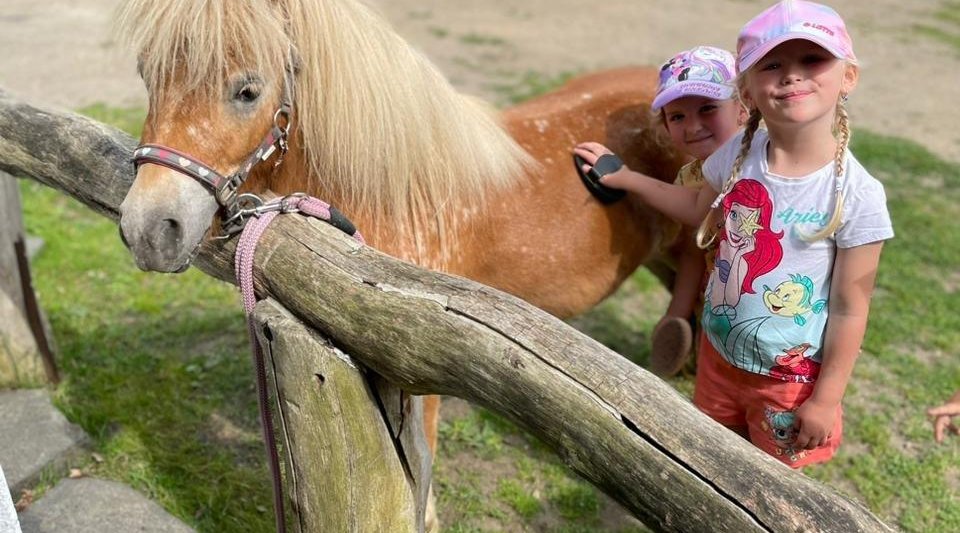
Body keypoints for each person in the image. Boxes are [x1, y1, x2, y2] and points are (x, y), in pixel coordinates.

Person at [573, 0, 894, 468]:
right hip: (718, 359)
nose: (791, 76)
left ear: (848, 77)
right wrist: (626, 180)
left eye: (813, 59)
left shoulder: (860, 196)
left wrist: (825, 400)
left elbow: (850, 308)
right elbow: (696, 208)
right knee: (715, 463)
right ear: (747, 88)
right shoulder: (738, 156)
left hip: (787, 384)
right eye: (773, 65)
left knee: (770, 481)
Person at [644, 46, 746, 378]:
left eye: (707, 109)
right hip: (715, 301)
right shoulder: (691, 178)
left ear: (743, 108)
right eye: (677, 117)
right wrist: (675, 317)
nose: (693, 127)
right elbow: (693, 250)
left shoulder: (763, 165)